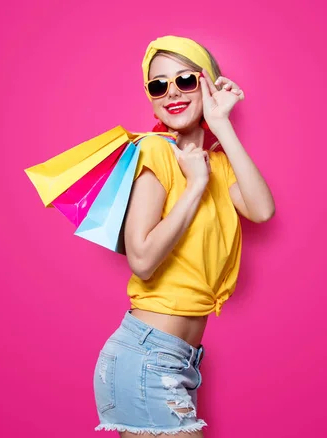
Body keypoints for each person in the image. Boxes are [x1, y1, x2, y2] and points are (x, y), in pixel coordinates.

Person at [93, 35, 275, 437]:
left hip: (179, 359)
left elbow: (262, 211)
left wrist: (221, 124)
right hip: (146, 356)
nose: (171, 93)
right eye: (158, 85)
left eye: (186, 80)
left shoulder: (220, 165)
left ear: (208, 84)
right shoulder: (154, 152)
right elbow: (141, 259)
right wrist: (194, 186)